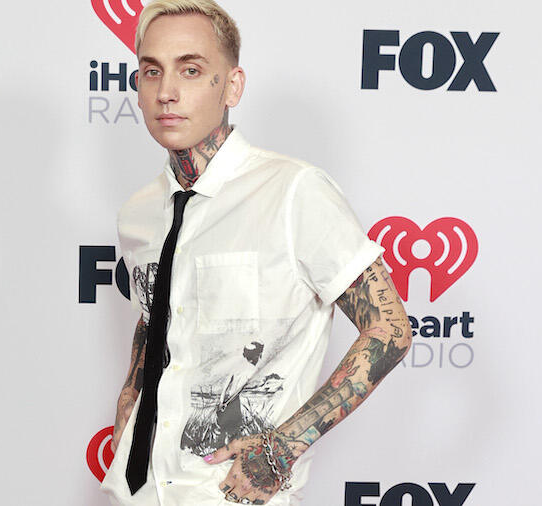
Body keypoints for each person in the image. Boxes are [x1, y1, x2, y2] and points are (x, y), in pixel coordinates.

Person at [100, 1, 411, 504]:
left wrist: (283, 448)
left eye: (190, 70)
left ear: (232, 86)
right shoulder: (138, 213)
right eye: (152, 71)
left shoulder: (294, 192)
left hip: (229, 493)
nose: (166, 92)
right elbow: (156, 318)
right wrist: (127, 408)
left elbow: (390, 328)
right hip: (135, 490)